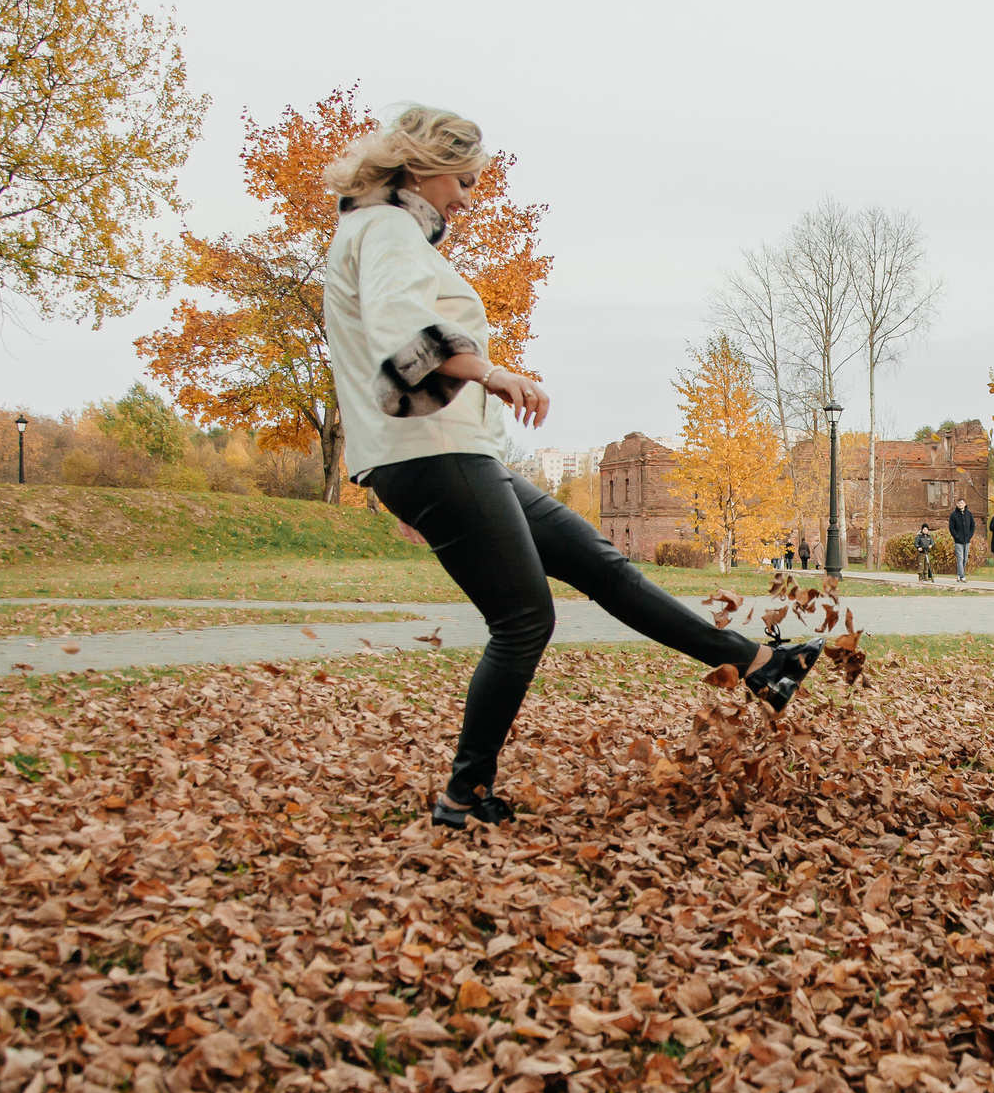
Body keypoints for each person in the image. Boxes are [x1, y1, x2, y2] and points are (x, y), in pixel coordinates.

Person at [319, 106, 825, 831]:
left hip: (458, 453)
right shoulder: (389, 229)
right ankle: (462, 797)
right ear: (425, 166)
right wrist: (495, 374)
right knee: (524, 617)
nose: (466, 197)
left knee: (600, 563)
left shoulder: (380, 229)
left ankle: (758, 664)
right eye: (463, 180)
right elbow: (404, 340)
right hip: (430, 453)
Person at [947, 499, 975, 581]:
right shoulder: (954, 515)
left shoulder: (969, 514)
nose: (960, 504)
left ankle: (959, 574)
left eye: (961, 503)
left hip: (967, 540)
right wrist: (956, 536)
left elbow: (972, 525)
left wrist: (970, 535)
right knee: (960, 558)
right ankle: (962, 576)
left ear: (965, 504)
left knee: (965, 558)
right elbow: (951, 527)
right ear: (956, 504)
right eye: (958, 503)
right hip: (958, 540)